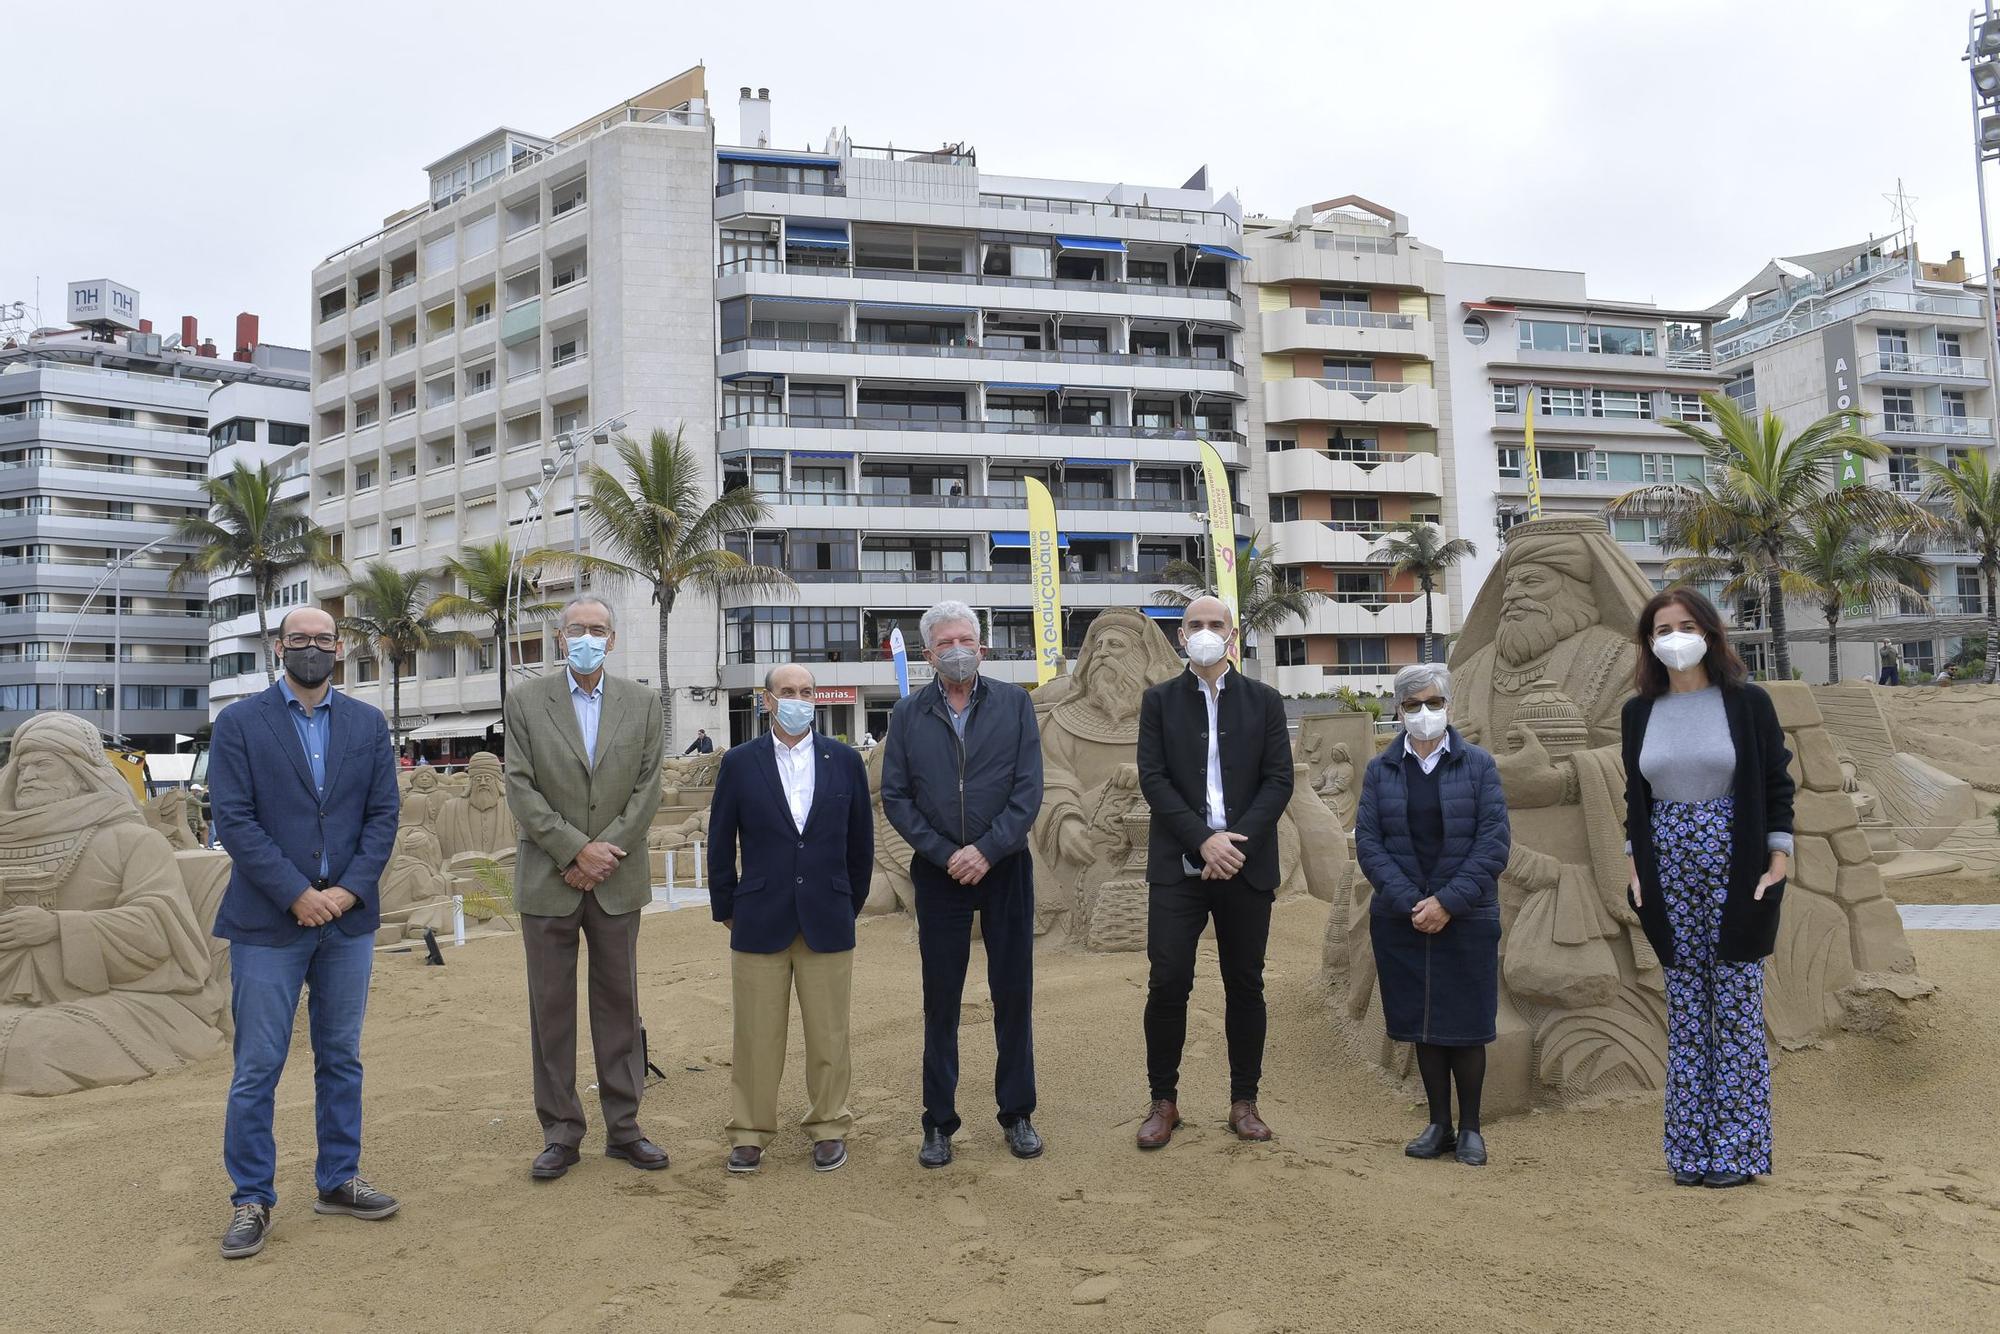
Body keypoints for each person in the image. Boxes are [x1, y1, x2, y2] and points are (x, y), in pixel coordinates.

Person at [209, 606, 402, 1259]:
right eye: (301, 641)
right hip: (268, 921)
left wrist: (346, 891)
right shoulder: (239, 724)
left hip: (348, 921)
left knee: (341, 1056)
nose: (312, 649)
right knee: (258, 1065)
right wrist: (296, 893)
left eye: (323, 641)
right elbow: (234, 820)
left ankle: (339, 1179)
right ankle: (251, 1199)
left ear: (339, 648)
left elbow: (382, 817)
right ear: (278, 647)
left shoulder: (368, 724)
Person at [1622, 588, 1792, 1189]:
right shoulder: (1639, 712)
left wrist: (1779, 857)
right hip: (1667, 862)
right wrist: (1635, 862)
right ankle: (1690, 1152)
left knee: (1738, 1001)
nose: (1674, 637)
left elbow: (1775, 781)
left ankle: (1738, 1152)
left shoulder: (1747, 704)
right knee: (1688, 1006)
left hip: (1736, 856)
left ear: (1711, 632)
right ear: (1649, 642)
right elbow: (1634, 797)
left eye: (1685, 624)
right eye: (1661, 628)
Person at [503, 596, 666, 1181]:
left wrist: (602, 855)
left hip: (617, 880)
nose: (587, 638)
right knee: (550, 1011)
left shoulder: (644, 703)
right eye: (577, 629)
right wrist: (574, 850)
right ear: (558, 637)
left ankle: (625, 1128)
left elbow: (648, 790)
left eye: (598, 630)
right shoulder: (525, 701)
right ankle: (561, 1131)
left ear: (613, 640)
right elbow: (519, 787)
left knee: (619, 1005)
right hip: (549, 879)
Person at [882, 599, 1045, 1168]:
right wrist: (946, 854)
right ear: (929, 653)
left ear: (983, 644)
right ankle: (938, 1123)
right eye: (945, 643)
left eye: (965, 640)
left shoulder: (1015, 704)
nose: (957, 650)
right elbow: (897, 797)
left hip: (1005, 868)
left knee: (1013, 994)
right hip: (940, 873)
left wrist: (988, 849)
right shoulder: (906, 715)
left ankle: (1018, 1113)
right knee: (941, 1001)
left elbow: (1028, 790)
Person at [1133, 595, 1295, 1150]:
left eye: (1215, 624)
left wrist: (1233, 844)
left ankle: (1244, 1101)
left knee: (1245, 984)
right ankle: (1163, 1100)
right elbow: (1153, 780)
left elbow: (1279, 781)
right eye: (1194, 625)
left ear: (1232, 635)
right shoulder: (1158, 702)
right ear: (1181, 636)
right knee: (1168, 979)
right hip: (1178, 865)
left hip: (1245, 866)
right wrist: (1203, 840)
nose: (1205, 632)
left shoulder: (1265, 701)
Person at [706, 664, 872, 1174]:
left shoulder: (845, 761)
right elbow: (719, 842)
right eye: (787, 692)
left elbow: (859, 845)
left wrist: (848, 904)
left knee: (829, 1034)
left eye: (806, 691)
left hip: (827, 916)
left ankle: (827, 1127)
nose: (798, 699)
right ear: (767, 700)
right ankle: (750, 1132)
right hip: (758, 918)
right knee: (756, 1035)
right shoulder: (739, 763)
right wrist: (728, 907)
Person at [1354, 664, 1510, 1167]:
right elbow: (1370, 845)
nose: (1425, 714)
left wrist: (1446, 901)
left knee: (1464, 1023)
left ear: (1448, 705)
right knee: (1423, 1022)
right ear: (1398, 711)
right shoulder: (1381, 769)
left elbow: (1493, 844)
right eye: (1413, 705)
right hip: (1403, 916)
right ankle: (1438, 1123)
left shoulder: (1479, 765)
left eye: (1433, 703)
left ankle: (1471, 1128)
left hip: (1466, 913)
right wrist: (1412, 902)